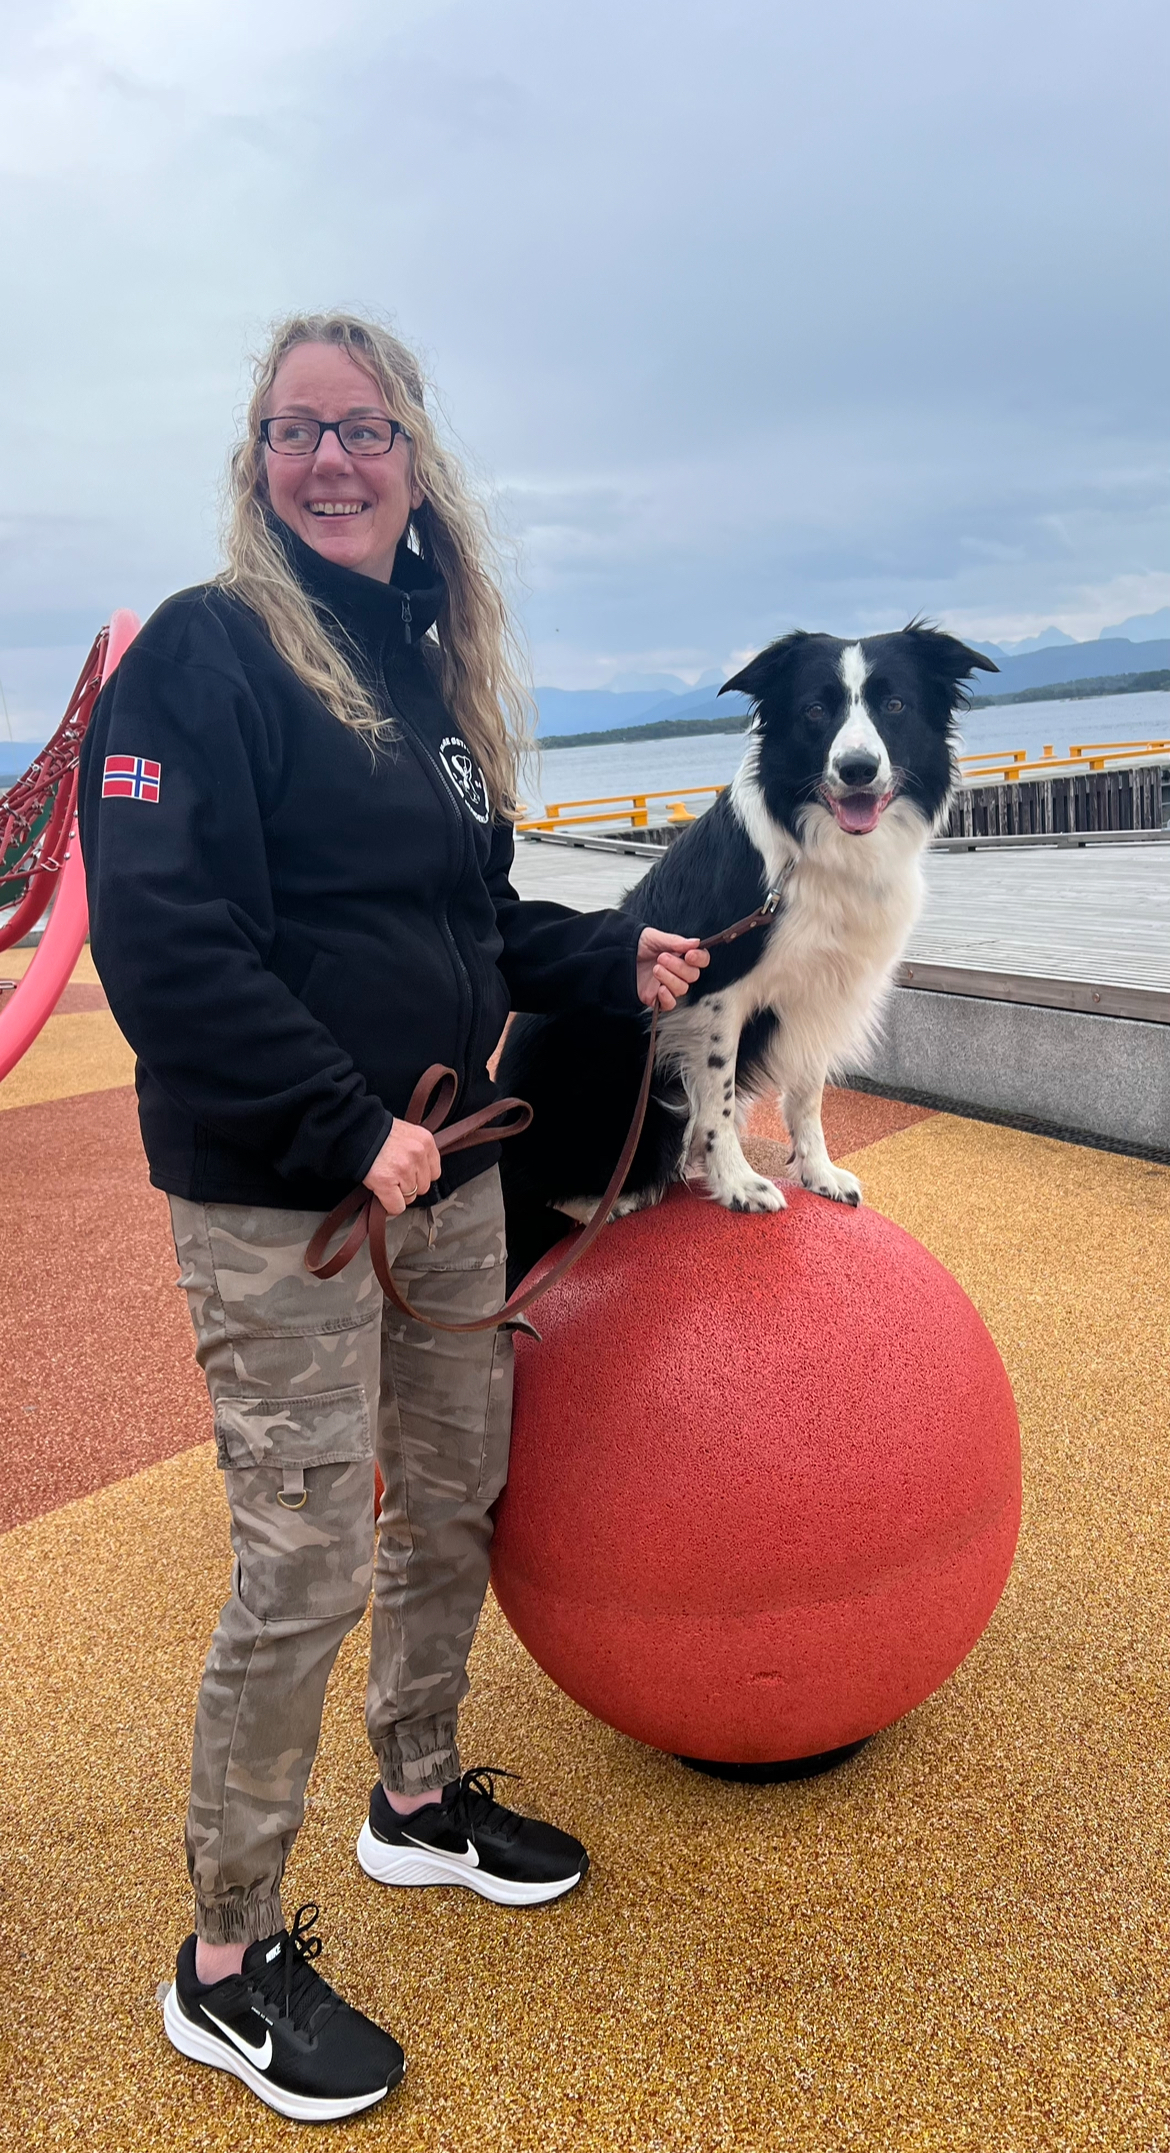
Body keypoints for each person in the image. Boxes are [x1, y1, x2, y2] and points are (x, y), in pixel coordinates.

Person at [78, 311, 707, 2125]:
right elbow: (163, 932)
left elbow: (471, 921)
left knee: (454, 1493)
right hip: (288, 1193)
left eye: (359, 429)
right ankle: (223, 1960)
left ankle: (415, 1796)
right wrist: (342, 1124)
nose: (328, 460)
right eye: (295, 431)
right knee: (301, 1566)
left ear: (413, 465)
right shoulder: (204, 653)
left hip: (444, 1168)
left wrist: (609, 957)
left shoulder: (426, 678)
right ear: (257, 464)